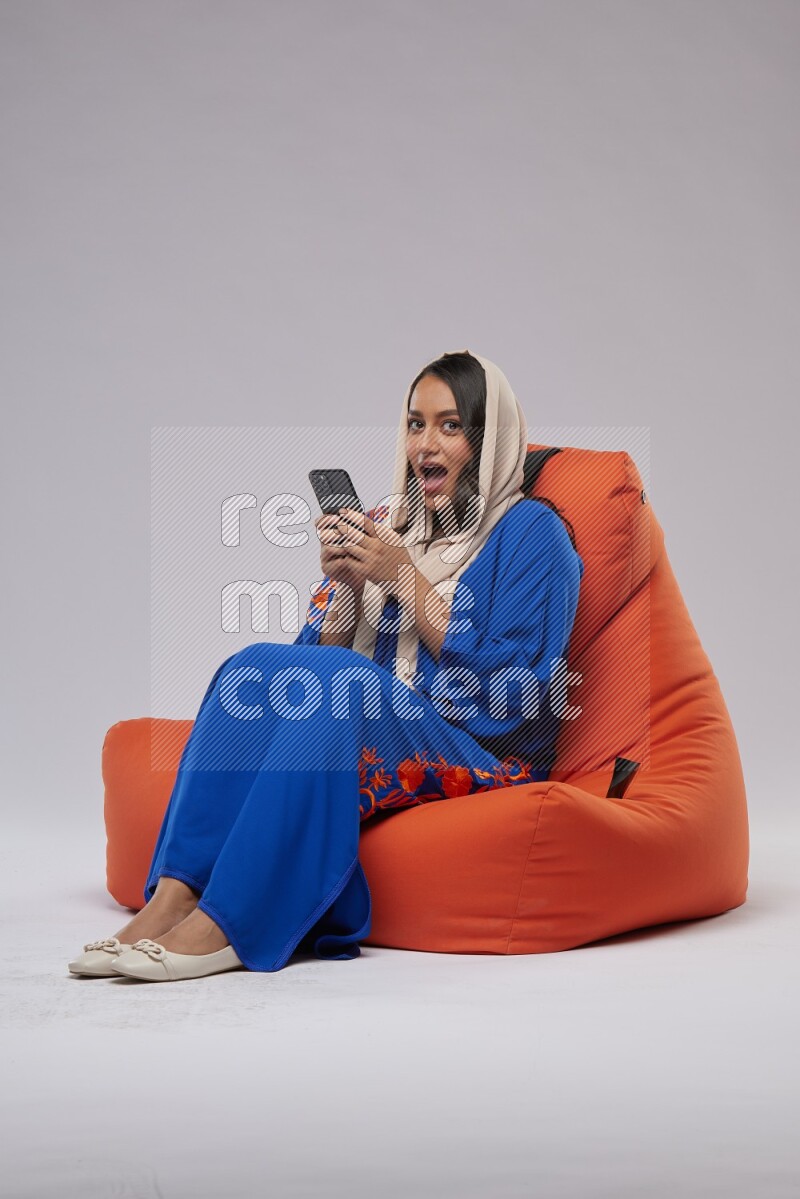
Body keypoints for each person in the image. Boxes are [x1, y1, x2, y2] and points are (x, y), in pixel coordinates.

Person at [68, 350, 584, 983]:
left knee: (343, 689)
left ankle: (233, 924)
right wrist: (345, 592)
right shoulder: (388, 526)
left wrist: (402, 578)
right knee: (251, 666)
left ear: (490, 438)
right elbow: (301, 683)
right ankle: (175, 896)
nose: (427, 443)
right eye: (415, 424)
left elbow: (516, 695)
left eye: (451, 426)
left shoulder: (532, 532)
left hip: (484, 748)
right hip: (377, 720)